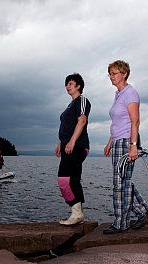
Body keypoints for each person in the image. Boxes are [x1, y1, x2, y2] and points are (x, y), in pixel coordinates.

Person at [102, 60, 148, 234]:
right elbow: (118, 122)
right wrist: (110, 142)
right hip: (118, 141)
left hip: (127, 142)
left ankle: (121, 223)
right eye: (109, 74)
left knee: (119, 183)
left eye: (114, 73)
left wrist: (133, 146)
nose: (111, 77)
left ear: (124, 74)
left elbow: (135, 121)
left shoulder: (130, 93)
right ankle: (143, 211)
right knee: (124, 182)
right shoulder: (118, 94)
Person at [55, 73, 91, 226]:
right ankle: (77, 213)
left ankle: (77, 213)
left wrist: (72, 141)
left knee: (65, 179)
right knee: (70, 179)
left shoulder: (81, 100)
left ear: (78, 86)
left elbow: (82, 120)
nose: (67, 86)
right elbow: (67, 126)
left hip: (77, 145)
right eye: (67, 84)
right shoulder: (70, 105)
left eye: (71, 83)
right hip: (68, 145)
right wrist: (60, 143)